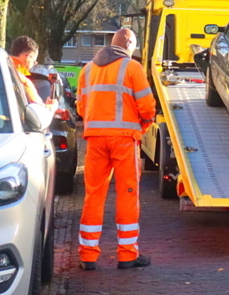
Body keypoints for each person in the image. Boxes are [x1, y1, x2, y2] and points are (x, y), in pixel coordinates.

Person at [75, 28, 157, 270]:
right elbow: (147, 106)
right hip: (123, 140)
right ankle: (127, 254)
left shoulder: (87, 70)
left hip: (95, 140)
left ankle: (88, 256)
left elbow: (81, 108)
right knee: (127, 194)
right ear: (129, 44)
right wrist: (143, 124)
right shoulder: (132, 68)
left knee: (93, 195)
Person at [8, 36, 56, 109]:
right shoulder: (23, 81)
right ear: (28, 57)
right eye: (34, 60)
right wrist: (52, 107)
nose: (35, 63)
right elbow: (38, 111)